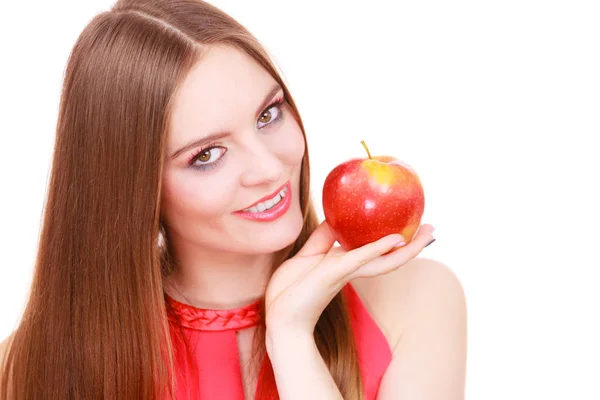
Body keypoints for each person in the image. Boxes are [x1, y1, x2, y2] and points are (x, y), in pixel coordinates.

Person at [0, 0, 467, 398]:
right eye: (207, 154)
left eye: (268, 114)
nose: (268, 167)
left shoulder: (414, 298)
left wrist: (291, 337)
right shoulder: (32, 365)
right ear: (134, 190)